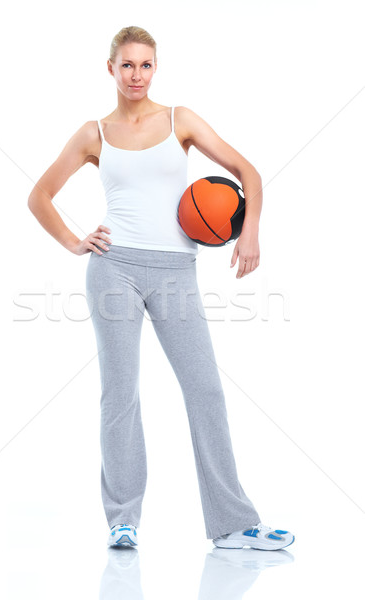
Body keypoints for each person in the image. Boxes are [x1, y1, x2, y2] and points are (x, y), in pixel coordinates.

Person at [27, 25, 295, 551]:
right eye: (127, 65)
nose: (136, 75)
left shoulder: (181, 120)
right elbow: (39, 196)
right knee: (120, 394)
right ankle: (122, 520)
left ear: (156, 68)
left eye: (145, 65)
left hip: (176, 271)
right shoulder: (92, 134)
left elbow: (249, 172)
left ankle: (233, 525)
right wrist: (75, 241)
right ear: (111, 68)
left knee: (206, 391)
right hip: (115, 268)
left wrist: (251, 231)